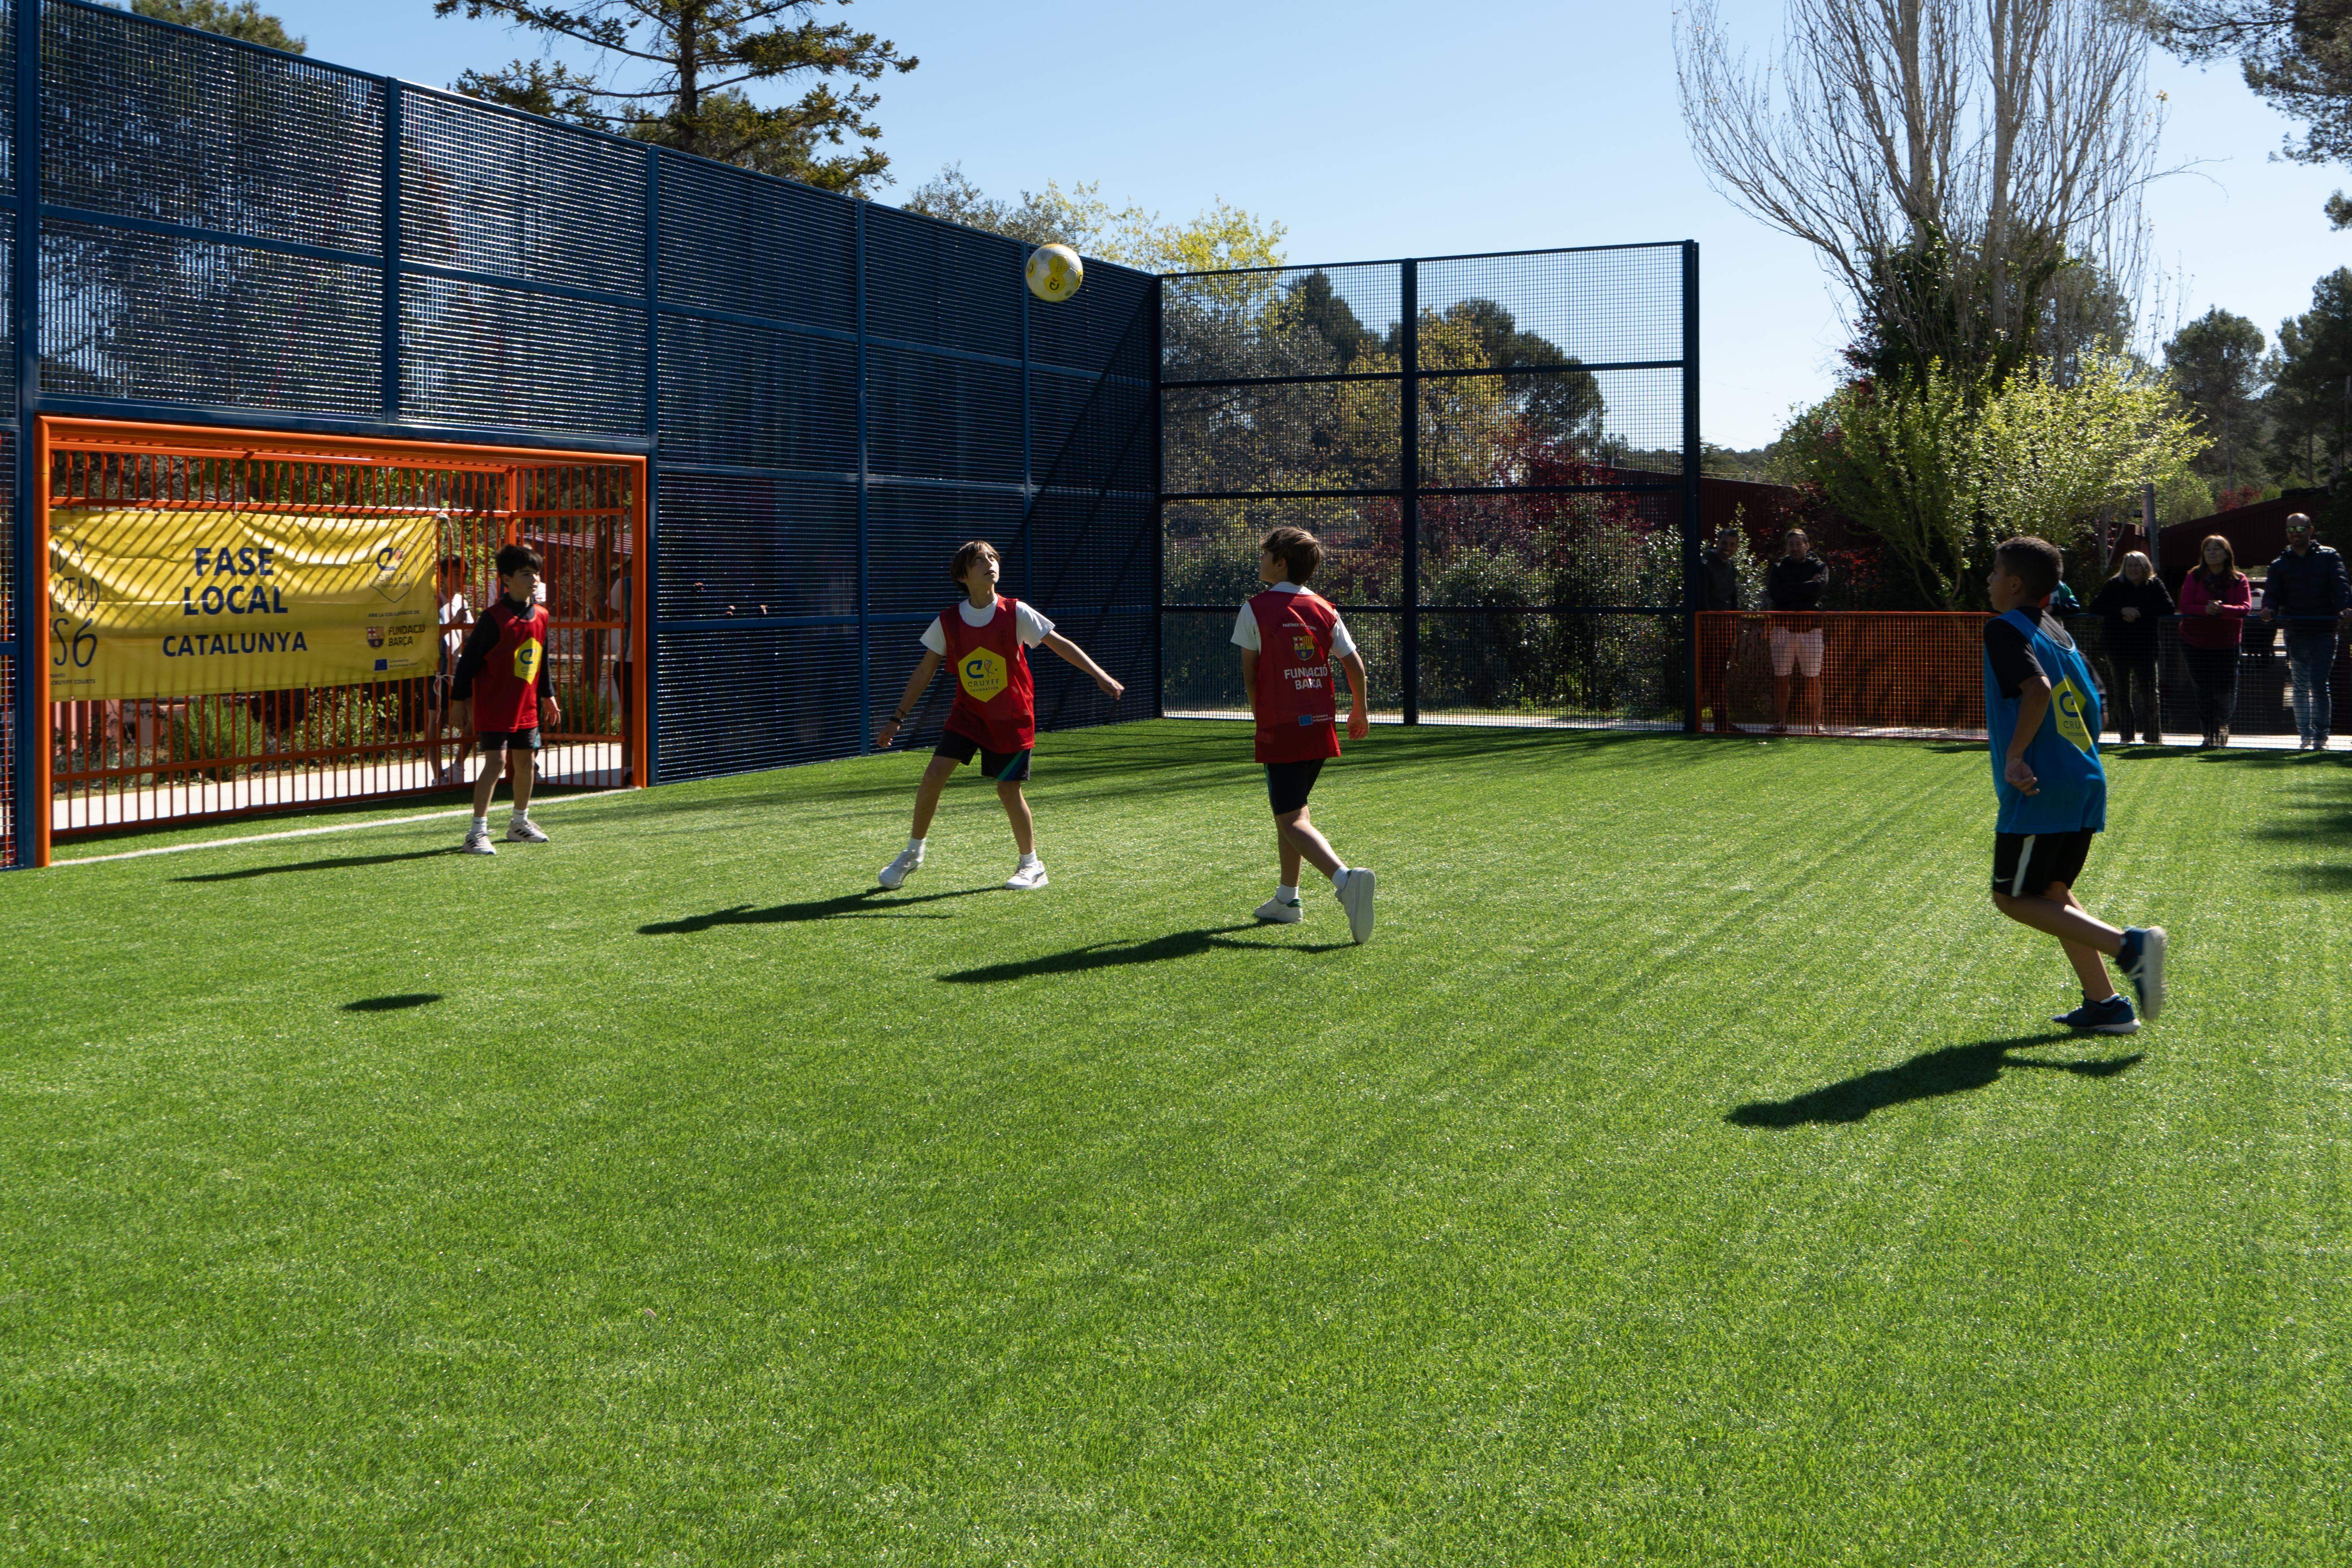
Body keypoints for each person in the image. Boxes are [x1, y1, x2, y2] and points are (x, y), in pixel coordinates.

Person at [1981, 536, 2167, 1036]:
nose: (1990, 581)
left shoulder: (2004, 629)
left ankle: (2130, 946)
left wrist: (2017, 755)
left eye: (1995, 572)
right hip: (2083, 780)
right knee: (2051, 890)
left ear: (2015, 583)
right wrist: (2077, 759)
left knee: (2011, 897)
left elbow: (2036, 690)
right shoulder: (2059, 634)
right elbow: (2092, 705)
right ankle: (2105, 1004)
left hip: (2041, 788)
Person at [872, 540, 1125, 891]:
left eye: (993, 558)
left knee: (1008, 790)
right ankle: (913, 853)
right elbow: (925, 670)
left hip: (1011, 719)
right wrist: (896, 718)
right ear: (963, 575)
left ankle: (1032, 865)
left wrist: (1100, 674)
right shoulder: (948, 621)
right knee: (933, 776)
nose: (990, 563)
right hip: (968, 716)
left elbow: (1060, 643)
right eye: (979, 560)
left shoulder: (1016, 611)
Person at [1235, 525, 1376, 942]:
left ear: (1281, 564)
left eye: (1266, 554)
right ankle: (1287, 898)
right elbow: (1355, 666)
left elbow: (1250, 677)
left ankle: (1345, 880)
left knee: (1290, 816)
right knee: (1295, 810)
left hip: (1280, 728)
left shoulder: (1255, 608)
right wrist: (1360, 709)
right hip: (1319, 726)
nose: (1261, 559)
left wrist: (1263, 714)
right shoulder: (1325, 609)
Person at [448, 543, 562, 855]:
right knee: (496, 763)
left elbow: (541, 660)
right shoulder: (493, 618)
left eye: (537, 574)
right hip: (496, 705)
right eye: (527, 574)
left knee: (526, 762)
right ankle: (476, 832)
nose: (534, 580)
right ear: (507, 579)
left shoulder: (541, 615)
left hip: (526, 705)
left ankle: (519, 823)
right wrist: (458, 701)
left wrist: (548, 696)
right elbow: (468, 662)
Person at [2259, 512, 2352, 750]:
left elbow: (2341, 585)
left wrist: (2345, 608)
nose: (2294, 534)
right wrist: (2269, 609)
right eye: (2290, 529)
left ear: (2311, 531)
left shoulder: (2329, 557)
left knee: (2319, 683)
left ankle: (2321, 736)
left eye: (2300, 529)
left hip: (2324, 630)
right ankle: (2305, 736)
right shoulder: (2280, 564)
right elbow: (2272, 594)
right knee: (2300, 684)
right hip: (2297, 631)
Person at [2085, 551, 2173, 745]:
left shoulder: (2155, 585)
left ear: (2145, 567)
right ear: (2124, 568)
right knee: (2122, 693)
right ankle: (2127, 736)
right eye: (2130, 565)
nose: (2133, 569)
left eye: (2137, 565)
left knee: (2150, 693)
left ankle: (2152, 737)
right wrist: (2121, 611)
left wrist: (2139, 613)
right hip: (2117, 648)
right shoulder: (2114, 585)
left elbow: (2169, 607)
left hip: (2146, 648)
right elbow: (2095, 607)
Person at [2175, 534, 2251, 748]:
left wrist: (2223, 610)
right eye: (2208, 549)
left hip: (2227, 644)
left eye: (2217, 549)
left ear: (2227, 554)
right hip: (2194, 642)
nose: (2212, 553)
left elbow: (2245, 607)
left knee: (2225, 691)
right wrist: (2206, 611)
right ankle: (2209, 735)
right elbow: (2186, 606)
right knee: (2203, 690)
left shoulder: (2238, 579)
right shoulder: (2194, 577)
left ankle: (2223, 726)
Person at [1765, 528, 1830, 735]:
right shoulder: (1778, 567)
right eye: (1791, 544)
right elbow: (1776, 593)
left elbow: (1819, 588)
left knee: (1813, 678)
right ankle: (1780, 723)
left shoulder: (1819, 566)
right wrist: (1806, 587)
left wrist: (1790, 587)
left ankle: (1816, 723)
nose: (1795, 548)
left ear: (1807, 545)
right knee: (1781, 677)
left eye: (1798, 544)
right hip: (1782, 629)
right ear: (1787, 547)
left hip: (1812, 630)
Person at [431, 547, 475, 787]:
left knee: (475, 718)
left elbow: (467, 631)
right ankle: (438, 775)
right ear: (444, 577)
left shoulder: (463, 601)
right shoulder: (433, 600)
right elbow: (430, 634)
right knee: (436, 721)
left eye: (464, 575)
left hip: (461, 666)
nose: (461, 580)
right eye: (457, 574)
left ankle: (457, 764)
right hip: (438, 667)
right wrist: (453, 624)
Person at [1700, 524, 1743, 734]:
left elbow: (1733, 595)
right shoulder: (1705, 564)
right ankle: (1695, 721)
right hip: (1707, 627)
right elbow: (1703, 596)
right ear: (1717, 543)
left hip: (1725, 626)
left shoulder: (1731, 566)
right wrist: (1709, 624)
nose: (1728, 547)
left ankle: (1721, 722)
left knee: (1718, 676)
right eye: (1724, 543)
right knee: (1703, 674)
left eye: (1732, 544)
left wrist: (1734, 622)